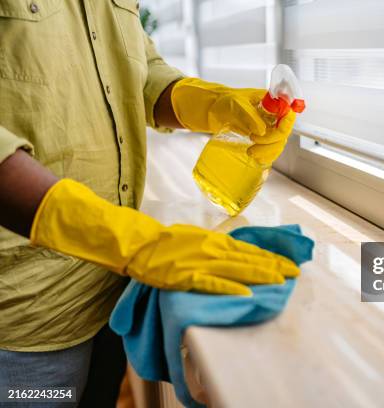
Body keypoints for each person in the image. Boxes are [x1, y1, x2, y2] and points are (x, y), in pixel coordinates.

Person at [0, 1, 298, 405]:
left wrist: (213, 103)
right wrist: (135, 241)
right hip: (23, 321)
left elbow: (137, 74)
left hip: (106, 290)